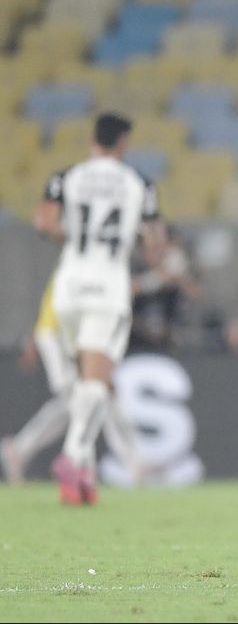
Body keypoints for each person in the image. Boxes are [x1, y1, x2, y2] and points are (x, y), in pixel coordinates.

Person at [33, 112, 163, 505]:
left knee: (88, 381)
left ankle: (84, 473)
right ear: (123, 143)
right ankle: (73, 457)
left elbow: (43, 222)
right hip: (108, 286)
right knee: (96, 382)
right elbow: (155, 244)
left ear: (92, 138)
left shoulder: (66, 177)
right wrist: (139, 242)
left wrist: (72, 240)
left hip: (68, 285)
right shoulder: (138, 183)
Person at [1, 277, 141, 483]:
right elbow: (53, 304)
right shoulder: (81, 263)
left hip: (75, 334)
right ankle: (78, 458)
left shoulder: (84, 261)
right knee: (81, 397)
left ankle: (25, 450)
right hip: (56, 335)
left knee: (87, 397)